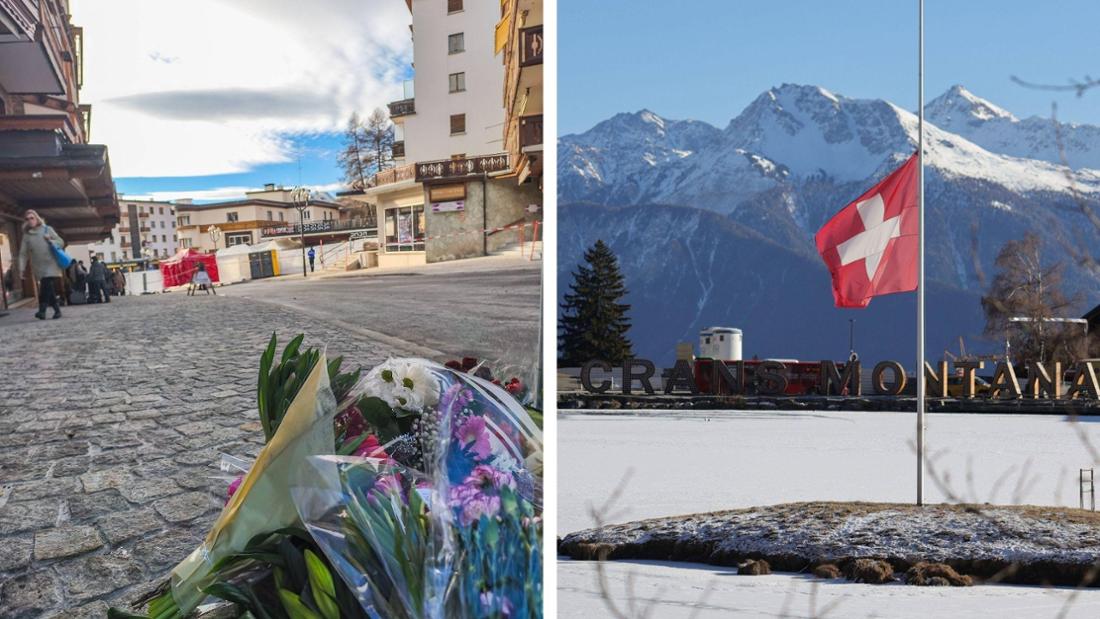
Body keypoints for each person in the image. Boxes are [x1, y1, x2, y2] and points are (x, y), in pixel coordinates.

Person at [16, 209, 65, 320]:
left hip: (51, 264)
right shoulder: (27, 235)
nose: (30, 220)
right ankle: (57, 311)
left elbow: (61, 242)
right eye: (27, 219)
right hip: (38, 266)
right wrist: (21, 269)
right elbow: (23, 253)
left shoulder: (47, 230)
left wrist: (51, 240)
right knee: (48, 288)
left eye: (32, 218)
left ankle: (42, 310)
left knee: (45, 285)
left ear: (37, 218)